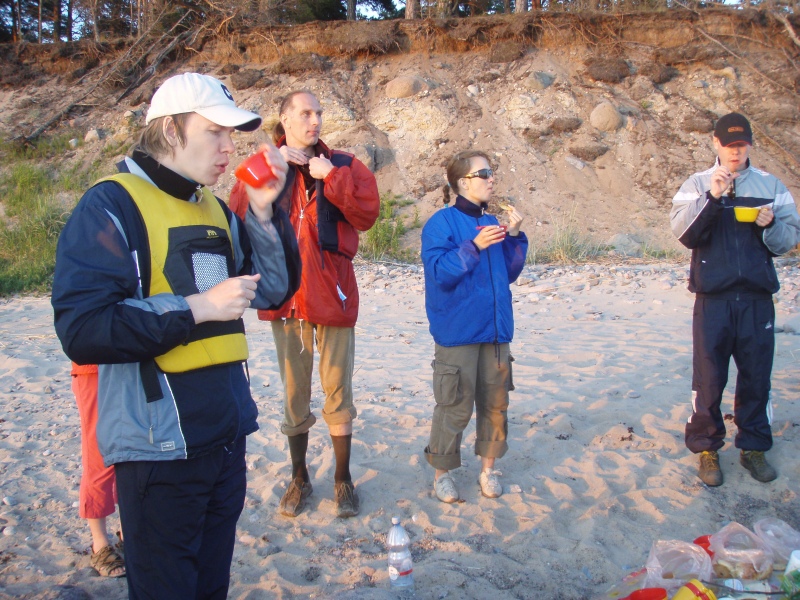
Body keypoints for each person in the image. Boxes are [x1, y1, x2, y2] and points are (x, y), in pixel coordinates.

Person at [52, 72, 300, 599]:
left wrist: (262, 212)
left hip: (226, 439)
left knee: (210, 587)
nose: (229, 148)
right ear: (170, 131)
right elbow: (84, 327)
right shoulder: (110, 206)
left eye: (231, 135)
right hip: (158, 450)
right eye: (214, 132)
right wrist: (197, 309)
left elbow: (273, 291)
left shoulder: (213, 208)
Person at [229, 90, 379, 519]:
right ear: (285, 119)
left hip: (334, 296)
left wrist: (332, 177)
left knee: (339, 391)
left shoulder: (345, 164)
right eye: (305, 113)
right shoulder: (265, 164)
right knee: (294, 393)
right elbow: (237, 216)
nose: (315, 121)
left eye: (319, 113)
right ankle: (300, 477)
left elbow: (367, 215)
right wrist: (267, 173)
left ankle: (342, 479)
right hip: (285, 299)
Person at [670, 112, 800, 487]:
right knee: (708, 378)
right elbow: (683, 234)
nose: (735, 152)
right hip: (712, 298)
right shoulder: (697, 184)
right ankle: (707, 449)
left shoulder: (771, 185)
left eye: (741, 145)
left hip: (757, 298)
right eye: (729, 145)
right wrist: (712, 197)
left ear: (749, 145)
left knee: (757, 377)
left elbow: (789, 240)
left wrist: (770, 225)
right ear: (716, 143)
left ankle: (754, 447)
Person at [420, 150, 527, 503]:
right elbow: (439, 273)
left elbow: (508, 273)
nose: (491, 178)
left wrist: (514, 235)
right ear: (463, 182)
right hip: (458, 332)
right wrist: (473, 246)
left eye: (491, 172)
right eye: (484, 173)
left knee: (496, 403)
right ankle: (442, 473)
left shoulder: (492, 221)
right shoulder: (441, 223)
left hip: (495, 331)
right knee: (454, 406)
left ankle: (488, 469)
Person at [71, 362, 124, 578]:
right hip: (93, 368)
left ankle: (128, 533)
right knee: (98, 456)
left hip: (132, 366)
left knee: (134, 453)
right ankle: (100, 544)